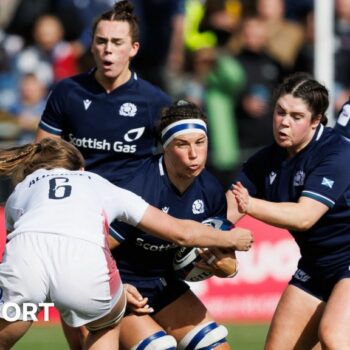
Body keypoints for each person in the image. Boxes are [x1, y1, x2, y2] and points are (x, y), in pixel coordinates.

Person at [0, 137, 253, 350]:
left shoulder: (20, 191)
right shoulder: (99, 184)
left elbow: (22, 244)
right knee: (108, 322)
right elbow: (181, 233)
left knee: (14, 321)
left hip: (25, 259)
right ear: (81, 169)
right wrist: (229, 238)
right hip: (85, 267)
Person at [227, 72, 350, 349]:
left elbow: (304, 216)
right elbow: (227, 210)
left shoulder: (337, 152)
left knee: (334, 336)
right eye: (280, 112)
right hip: (316, 267)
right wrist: (200, 237)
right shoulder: (265, 160)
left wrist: (251, 204)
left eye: (296, 116)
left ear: (316, 120)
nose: (284, 122)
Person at [110, 100, 238, 350]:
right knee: (159, 348)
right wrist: (116, 290)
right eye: (182, 144)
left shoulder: (210, 190)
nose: (194, 153)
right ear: (166, 148)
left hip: (164, 283)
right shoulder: (138, 188)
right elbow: (93, 250)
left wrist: (219, 265)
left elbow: (228, 264)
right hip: (119, 284)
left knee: (216, 346)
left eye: (200, 142)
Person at [35, 0, 172, 187]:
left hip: (131, 207)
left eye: (117, 42)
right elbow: (42, 155)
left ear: (134, 48)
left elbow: (179, 160)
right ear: (92, 45)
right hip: (78, 200)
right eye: (101, 41)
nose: (108, 50)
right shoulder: (66, 91)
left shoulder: (156, 101)